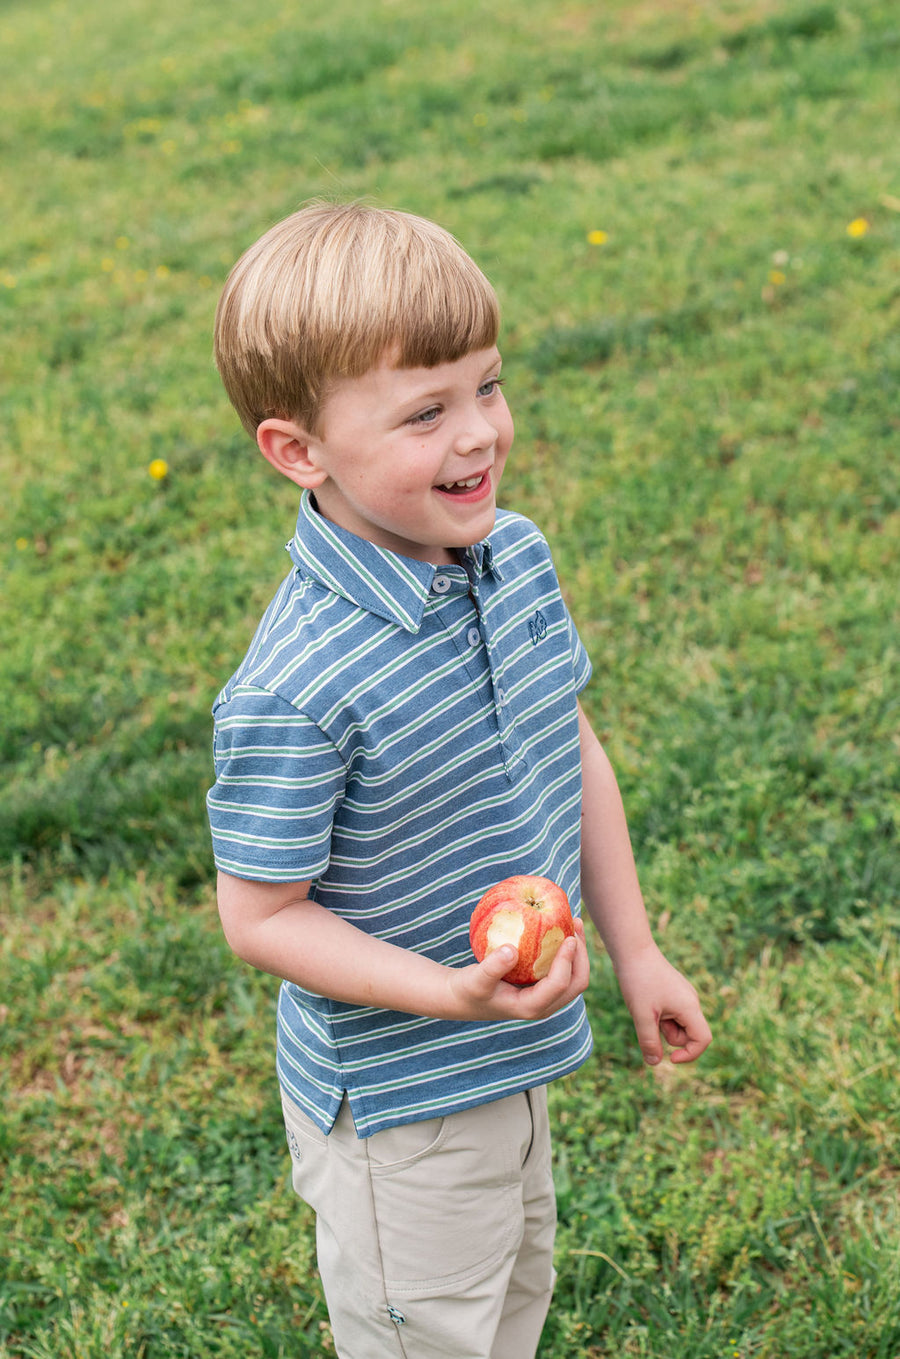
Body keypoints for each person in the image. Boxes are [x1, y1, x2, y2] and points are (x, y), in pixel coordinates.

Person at [206, 201, 711, 1359]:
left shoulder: (511, 555)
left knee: (511, 1304)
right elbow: (260, 917)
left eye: (487, 384)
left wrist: (636, 951)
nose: (479, 433)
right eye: (426, 412)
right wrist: (455, 996)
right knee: (433, 1337)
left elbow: (568, 747)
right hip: (401, 1109)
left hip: (510, 1055)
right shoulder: (297, 686)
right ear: (299, 451)